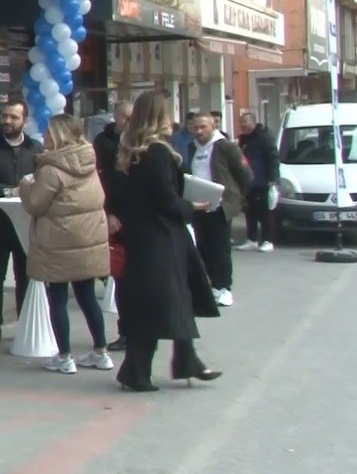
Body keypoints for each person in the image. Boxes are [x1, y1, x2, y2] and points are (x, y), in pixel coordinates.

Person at [111, 91, 222, 392]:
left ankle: (180, 361)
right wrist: (193, 208)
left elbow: (119, 196)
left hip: (140, 237)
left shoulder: (127, 151)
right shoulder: (157, 152)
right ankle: (140, 370)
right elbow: (166, 200)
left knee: (168, 300)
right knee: (167, 300)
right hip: (162, 237)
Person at [19, 114, 113, 375]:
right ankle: (101, 351)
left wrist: (26, 186)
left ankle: (64, 356)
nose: (45, 138)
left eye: (49, 133)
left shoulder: (51, 169)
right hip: (87, 239)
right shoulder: (88, 161)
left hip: (57, 242)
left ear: (60, 136)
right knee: (86, 296)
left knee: (57, 298)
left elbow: (36, 204)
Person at [0, 98, 42, 345]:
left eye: (13, 117)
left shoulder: (35, 149)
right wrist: (9, 191)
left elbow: (42, 179)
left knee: (24, 275)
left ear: (24, 120)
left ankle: (24, 323)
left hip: (24, 225)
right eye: (4, 116)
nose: (7, 121)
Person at [186, 113, 252, 308]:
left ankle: (224, 288)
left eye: (203, 127)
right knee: (203, 248)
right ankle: (211, 287)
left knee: (220, 249)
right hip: (199, 206)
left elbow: (246, 174)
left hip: (221, 207)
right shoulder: (192, 148)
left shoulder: (225, 146)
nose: (199, 131)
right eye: (195, 127)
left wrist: (236, 197)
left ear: (212, 126)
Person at [94, 101, 131, 352]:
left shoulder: (139, 142)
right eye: (124, 118)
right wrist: (107, 212)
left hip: (136, 216)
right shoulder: (104, 142)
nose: (128, 122)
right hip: (113, 212)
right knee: (120, 274)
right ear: (116, 118)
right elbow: (101, 179)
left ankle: (137, 329)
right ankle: (125, 331)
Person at [236, 112, 279, 252]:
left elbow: (273, 158)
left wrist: (272, 180)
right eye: (241, 122)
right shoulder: (243, 139)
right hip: (248, 182)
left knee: (265, 212)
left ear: (253, 122)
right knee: (250, 211)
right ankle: (251, 239)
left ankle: (268, 240)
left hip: (263, 181)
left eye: (246, 122)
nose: (243, 125)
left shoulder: (264, 137)